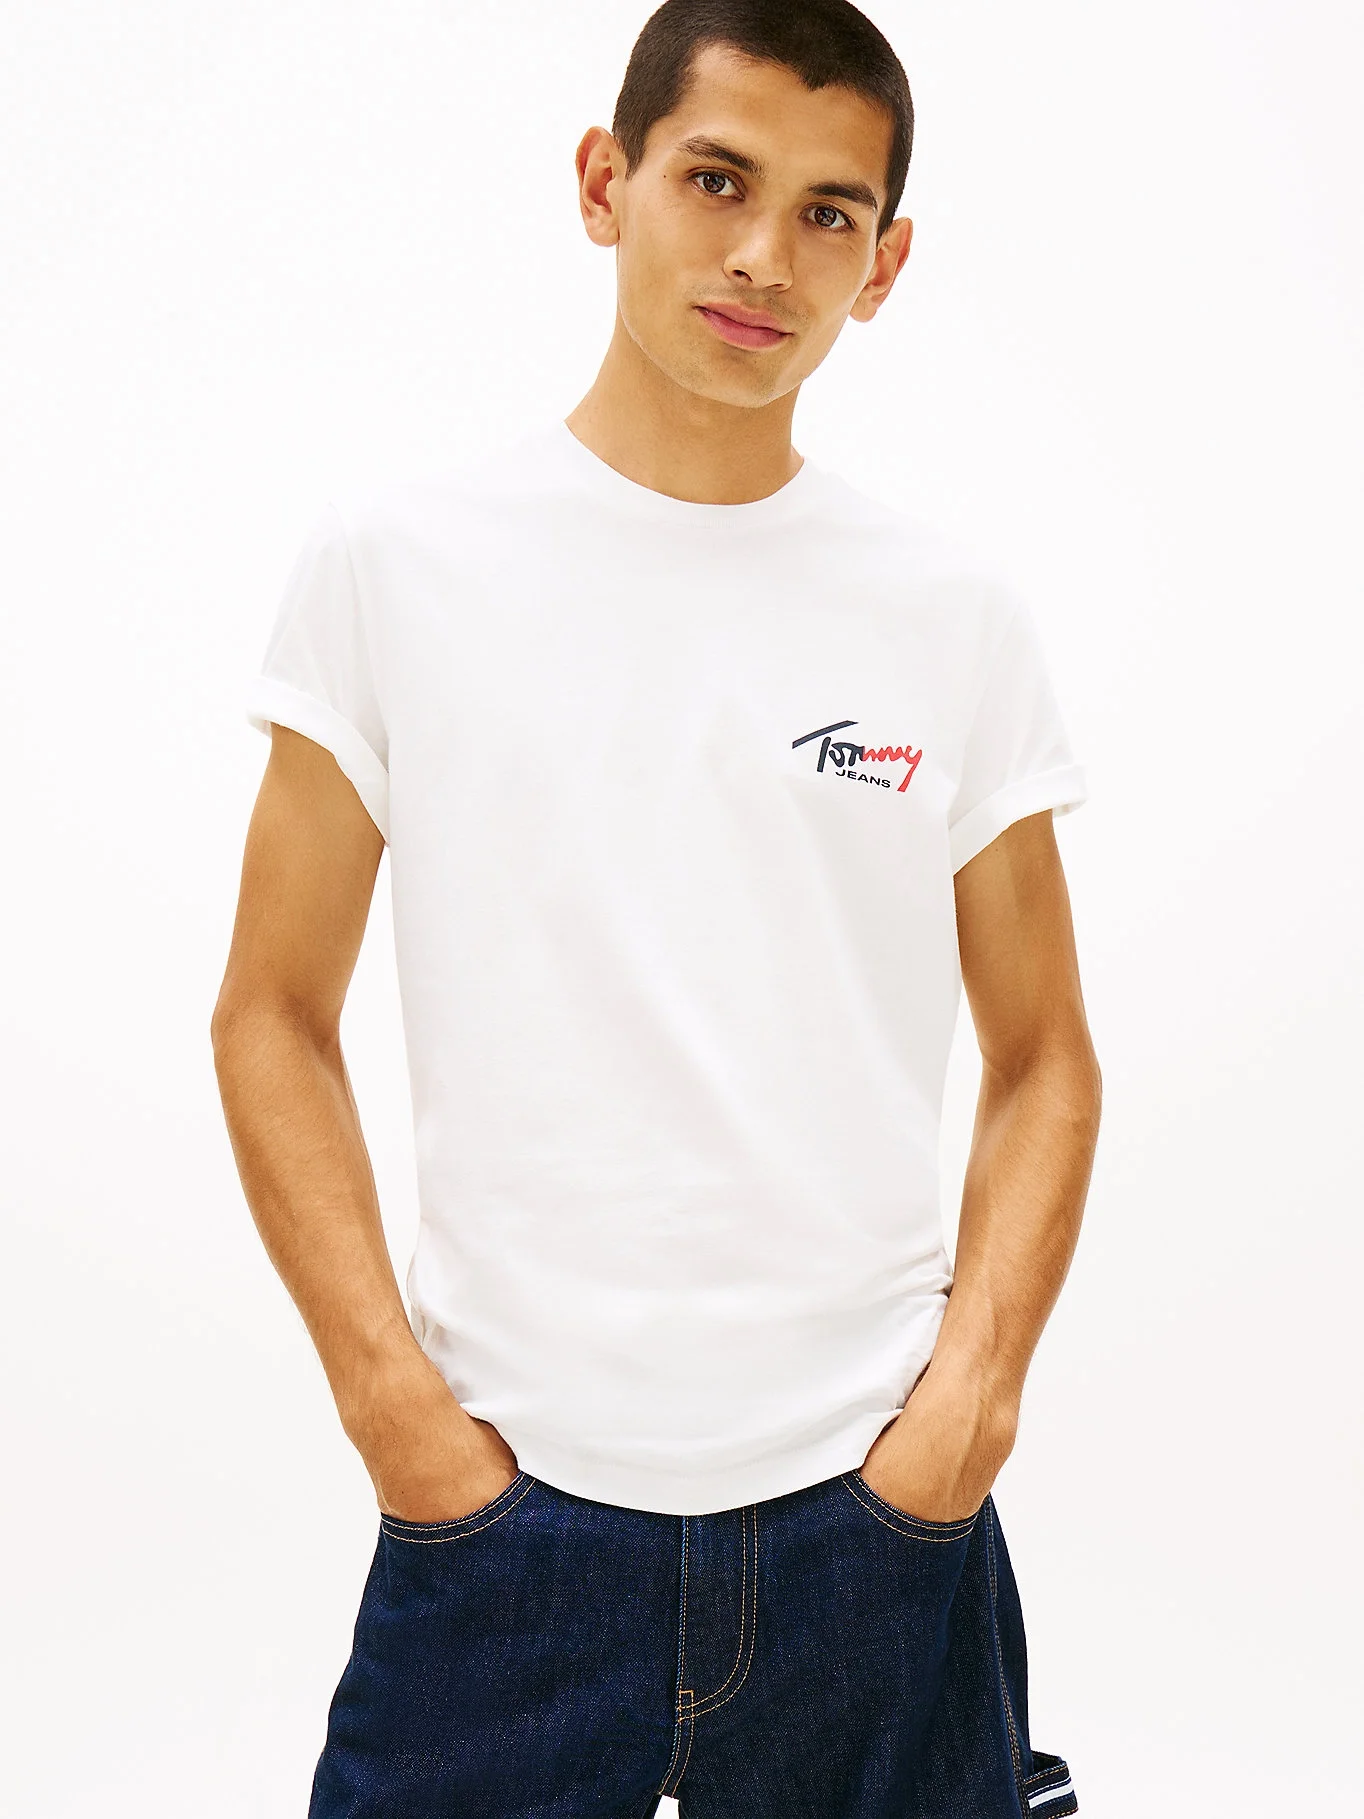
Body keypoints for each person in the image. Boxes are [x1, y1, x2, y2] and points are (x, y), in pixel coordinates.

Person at [211, 2, 1101, 1813]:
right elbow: (271, 1014)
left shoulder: (950, 618)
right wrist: (395, 1411)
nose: (767, 253)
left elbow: (1046, 1058)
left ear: (886, 263)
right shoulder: (399, 569)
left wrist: (966, 1412)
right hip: (502, 1524)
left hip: (876, 1525)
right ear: (603, 183)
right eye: (717, 180)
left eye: (830, 212)